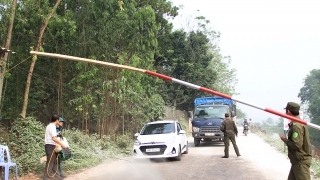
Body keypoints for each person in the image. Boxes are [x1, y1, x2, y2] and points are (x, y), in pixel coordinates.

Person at [280, 102, 312, 180]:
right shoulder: (300, 122)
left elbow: (296, 145)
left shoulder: (297, 126)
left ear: (288, 112)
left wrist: (285, 139)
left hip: (300, 162)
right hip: (297, 162)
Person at [44, 115, 67, 180]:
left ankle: (57, 177)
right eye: (59, 120)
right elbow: (54, 138)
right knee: (50, 162)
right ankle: (46, 177)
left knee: (54, 162)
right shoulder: (52, 127)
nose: (59, 122)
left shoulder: (51, 126)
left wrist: (57, 133)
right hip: (50, 146)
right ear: (56, 120)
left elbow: (53, 135)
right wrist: (62, 144)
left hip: (52, 145)